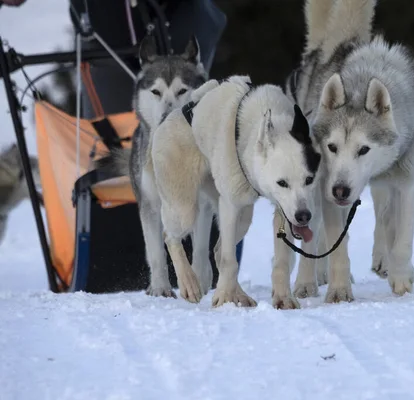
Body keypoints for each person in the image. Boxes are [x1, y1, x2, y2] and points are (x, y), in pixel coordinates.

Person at [3, 0, 243, 289]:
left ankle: (201, 262)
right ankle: (150, 268)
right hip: (107, 22)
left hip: (175, 13)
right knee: (122, 150)